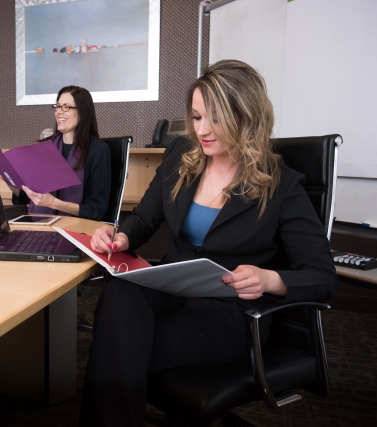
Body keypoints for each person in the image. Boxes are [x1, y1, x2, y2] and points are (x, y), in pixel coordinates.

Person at [78, 60, 338, 426]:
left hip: (229, 313)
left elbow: (323, 277)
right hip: (174, 286)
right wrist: (120, 235)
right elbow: (145, 219)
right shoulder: (180, 159)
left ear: (246, 116)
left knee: (118, 348)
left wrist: (268, 280)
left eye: (215, 118)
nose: (203, 130)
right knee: (121, 292)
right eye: (197, 117)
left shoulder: (282, 186)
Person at [11, 85, 111, 221]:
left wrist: (53, 203)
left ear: (83, 112)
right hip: (42, 226)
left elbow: (96, 210)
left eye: (66, 107)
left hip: (79, 227)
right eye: (58, 106)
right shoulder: (44, 148)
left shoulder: (99, 150)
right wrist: (7, 177)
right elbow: (25, 197)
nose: (59, 112)